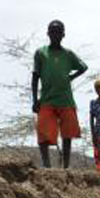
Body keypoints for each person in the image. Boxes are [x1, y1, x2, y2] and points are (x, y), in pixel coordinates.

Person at [30, 20, 88, 168]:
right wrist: (35, 99)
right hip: (47, 99)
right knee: (43, 133)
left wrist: (71, 77)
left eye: (58, 32)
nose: (55, 34)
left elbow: (83, 67)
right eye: (52, 31)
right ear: (48, 34)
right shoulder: (40, 53)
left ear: (63, 35)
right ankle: (47, 166)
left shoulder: (68, 54)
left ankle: (66, 167)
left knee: (67, 134)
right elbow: (35, 76)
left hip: (65, 99)